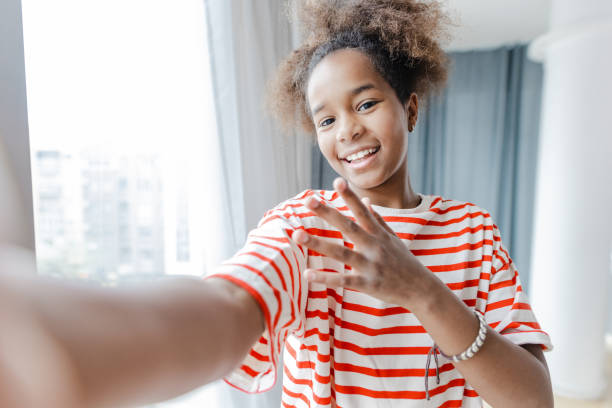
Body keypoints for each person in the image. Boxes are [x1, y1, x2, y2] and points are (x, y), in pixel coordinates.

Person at [0, 0, 553, 407]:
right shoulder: (306, 223)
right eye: (326, 119)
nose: (348, 131)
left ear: (409, 109)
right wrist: (56, 342)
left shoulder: (471, 231)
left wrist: (420, 289)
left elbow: (534, 401)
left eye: (365, 102)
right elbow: (227, 308)